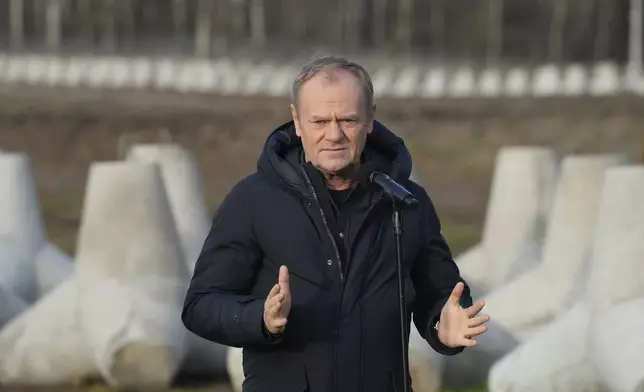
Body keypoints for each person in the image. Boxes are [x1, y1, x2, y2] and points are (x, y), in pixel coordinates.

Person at [181, 55, 490, 392]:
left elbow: (443, 296)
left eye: (347, 119)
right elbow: (201, 305)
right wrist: (261, 318)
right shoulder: (252, 201)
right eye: (319, 121)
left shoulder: (405, 203)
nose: (334, 134)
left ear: (370, 119)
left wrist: (442, 328)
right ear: (297, 122)